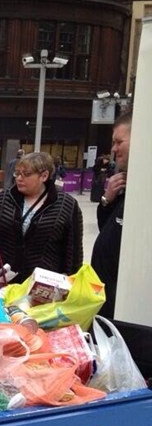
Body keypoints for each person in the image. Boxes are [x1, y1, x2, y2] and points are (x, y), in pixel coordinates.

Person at [0, 151, 83, 283]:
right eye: (17, 173)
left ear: (44, 176)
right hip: (3, 283)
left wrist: (70, 281)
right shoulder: (1, 200)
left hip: (43, 287)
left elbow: (74, 251)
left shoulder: (67, 205)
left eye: (26, 174)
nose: (19, 178)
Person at [91, 113, 130, 319]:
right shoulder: (125, 183)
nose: (114, 149)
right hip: (107, 302)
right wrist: (107, 200)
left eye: (119, 142)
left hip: (123, 304)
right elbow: (105, 228)